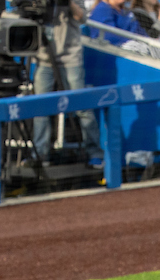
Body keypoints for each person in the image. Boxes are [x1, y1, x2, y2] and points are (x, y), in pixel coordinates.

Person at [32, 0, 105, 169]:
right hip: (43, 57)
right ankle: (40, 154)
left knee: (82, 107)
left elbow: (82, 18)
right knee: (40, 107)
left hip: (70, 57)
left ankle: (95, 153)